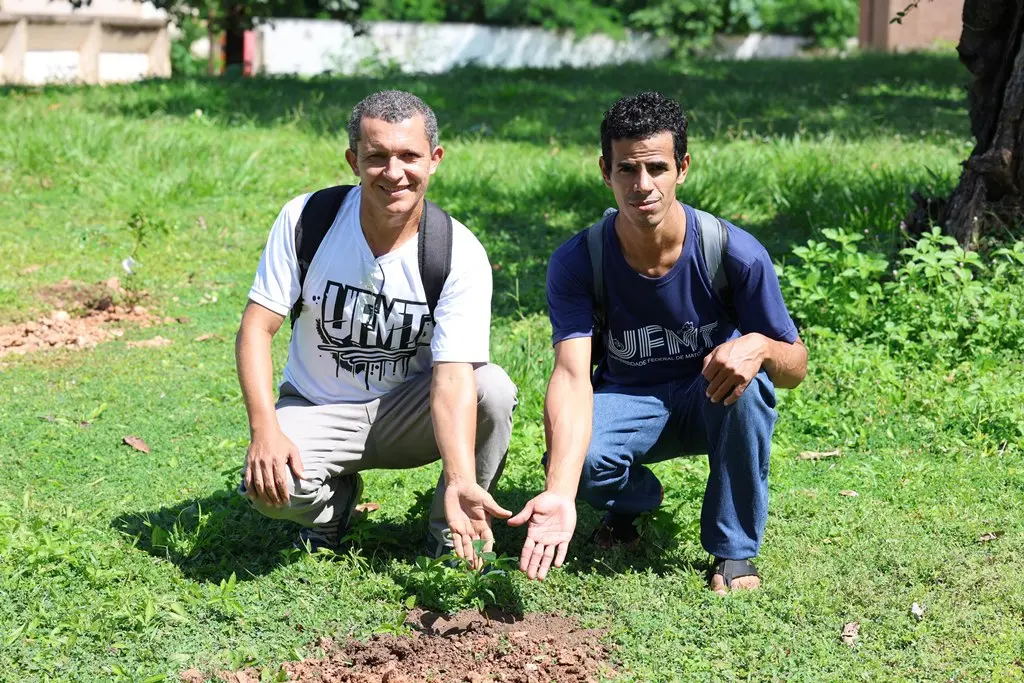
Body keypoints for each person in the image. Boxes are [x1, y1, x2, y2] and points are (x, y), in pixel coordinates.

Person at [509, 91, 807, 592]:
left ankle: (733, 551)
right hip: (627, 400)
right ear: (605, 171)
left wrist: (760, 346)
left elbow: (795, 367)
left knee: (751, 388)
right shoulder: (579, 260)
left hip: (710, 397)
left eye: (657, 168)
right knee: (576, 457)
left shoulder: (733, 252)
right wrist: (559, 490)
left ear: (682, 168)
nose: (642, 185)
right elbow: (571, 375)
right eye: (627, 169)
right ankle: (634, 502)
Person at [236, 90, 516, 566]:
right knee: (267, 487)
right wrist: (265, 429)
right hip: (317, 407)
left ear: (435, 159)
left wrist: (461, 477)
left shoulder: (458, 253)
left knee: (492, 387)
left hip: (408, 411)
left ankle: (452, 528)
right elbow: (256, 330)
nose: (394, 172)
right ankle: (332, 511)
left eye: (409, 156)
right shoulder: (308, 220)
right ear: (353, 160)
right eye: (377, 157)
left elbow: (452, 378)